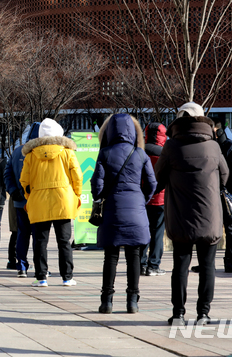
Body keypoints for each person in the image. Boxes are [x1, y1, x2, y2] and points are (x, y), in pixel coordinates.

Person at [154, 102, 229, 327]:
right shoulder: (213, 146)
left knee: (180, 265)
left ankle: (178, 314)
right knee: (207, 265)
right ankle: (203, 314)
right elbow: (225, 176)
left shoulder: (171, 146)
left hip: (180, 216)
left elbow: (159, 177)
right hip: (210, 216)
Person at [91, 114, 156, 314]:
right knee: (134, 255)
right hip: (136, 210)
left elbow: (96, 185)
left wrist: (102, 196)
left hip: (112, 210)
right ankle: (132, 301)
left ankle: (107, 301)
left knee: (110, 256)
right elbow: (152, 183)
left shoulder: (105, 153)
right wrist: (141, 199)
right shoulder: (140, 154)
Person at [20, 118, 82, 287]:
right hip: (63, 200)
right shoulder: (67, 152)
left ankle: (41, 277)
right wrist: (76, 195)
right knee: (64, 241)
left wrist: (29, 197)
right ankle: (67, 277)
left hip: (39, 202)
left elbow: (24, 181)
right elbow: (77, 176)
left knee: (40, 241)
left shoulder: (31, 155)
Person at [192, 118, 232, 274]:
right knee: (208, 230)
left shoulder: (231, 146)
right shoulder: (210, 147)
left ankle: (229, 261)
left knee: (229, 229)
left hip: (227, 196)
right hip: (210, 195)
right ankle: (207, 263)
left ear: (216, 130)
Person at [3, 122, 40, 277]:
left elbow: (7, 174)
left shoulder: (18, 151)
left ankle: (21, 266)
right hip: (39, 202)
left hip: (20, 201)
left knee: (21, 234)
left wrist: (13, 191)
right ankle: (40, 268)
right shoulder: (43, 152)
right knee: (39, 236)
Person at [140, 122, 167, 277]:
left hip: (141, 198)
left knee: (143, 231)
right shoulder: (164, 153)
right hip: (160, 198)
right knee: (157, 233)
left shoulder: (139, 151)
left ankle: (141, 264)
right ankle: (153, 265)